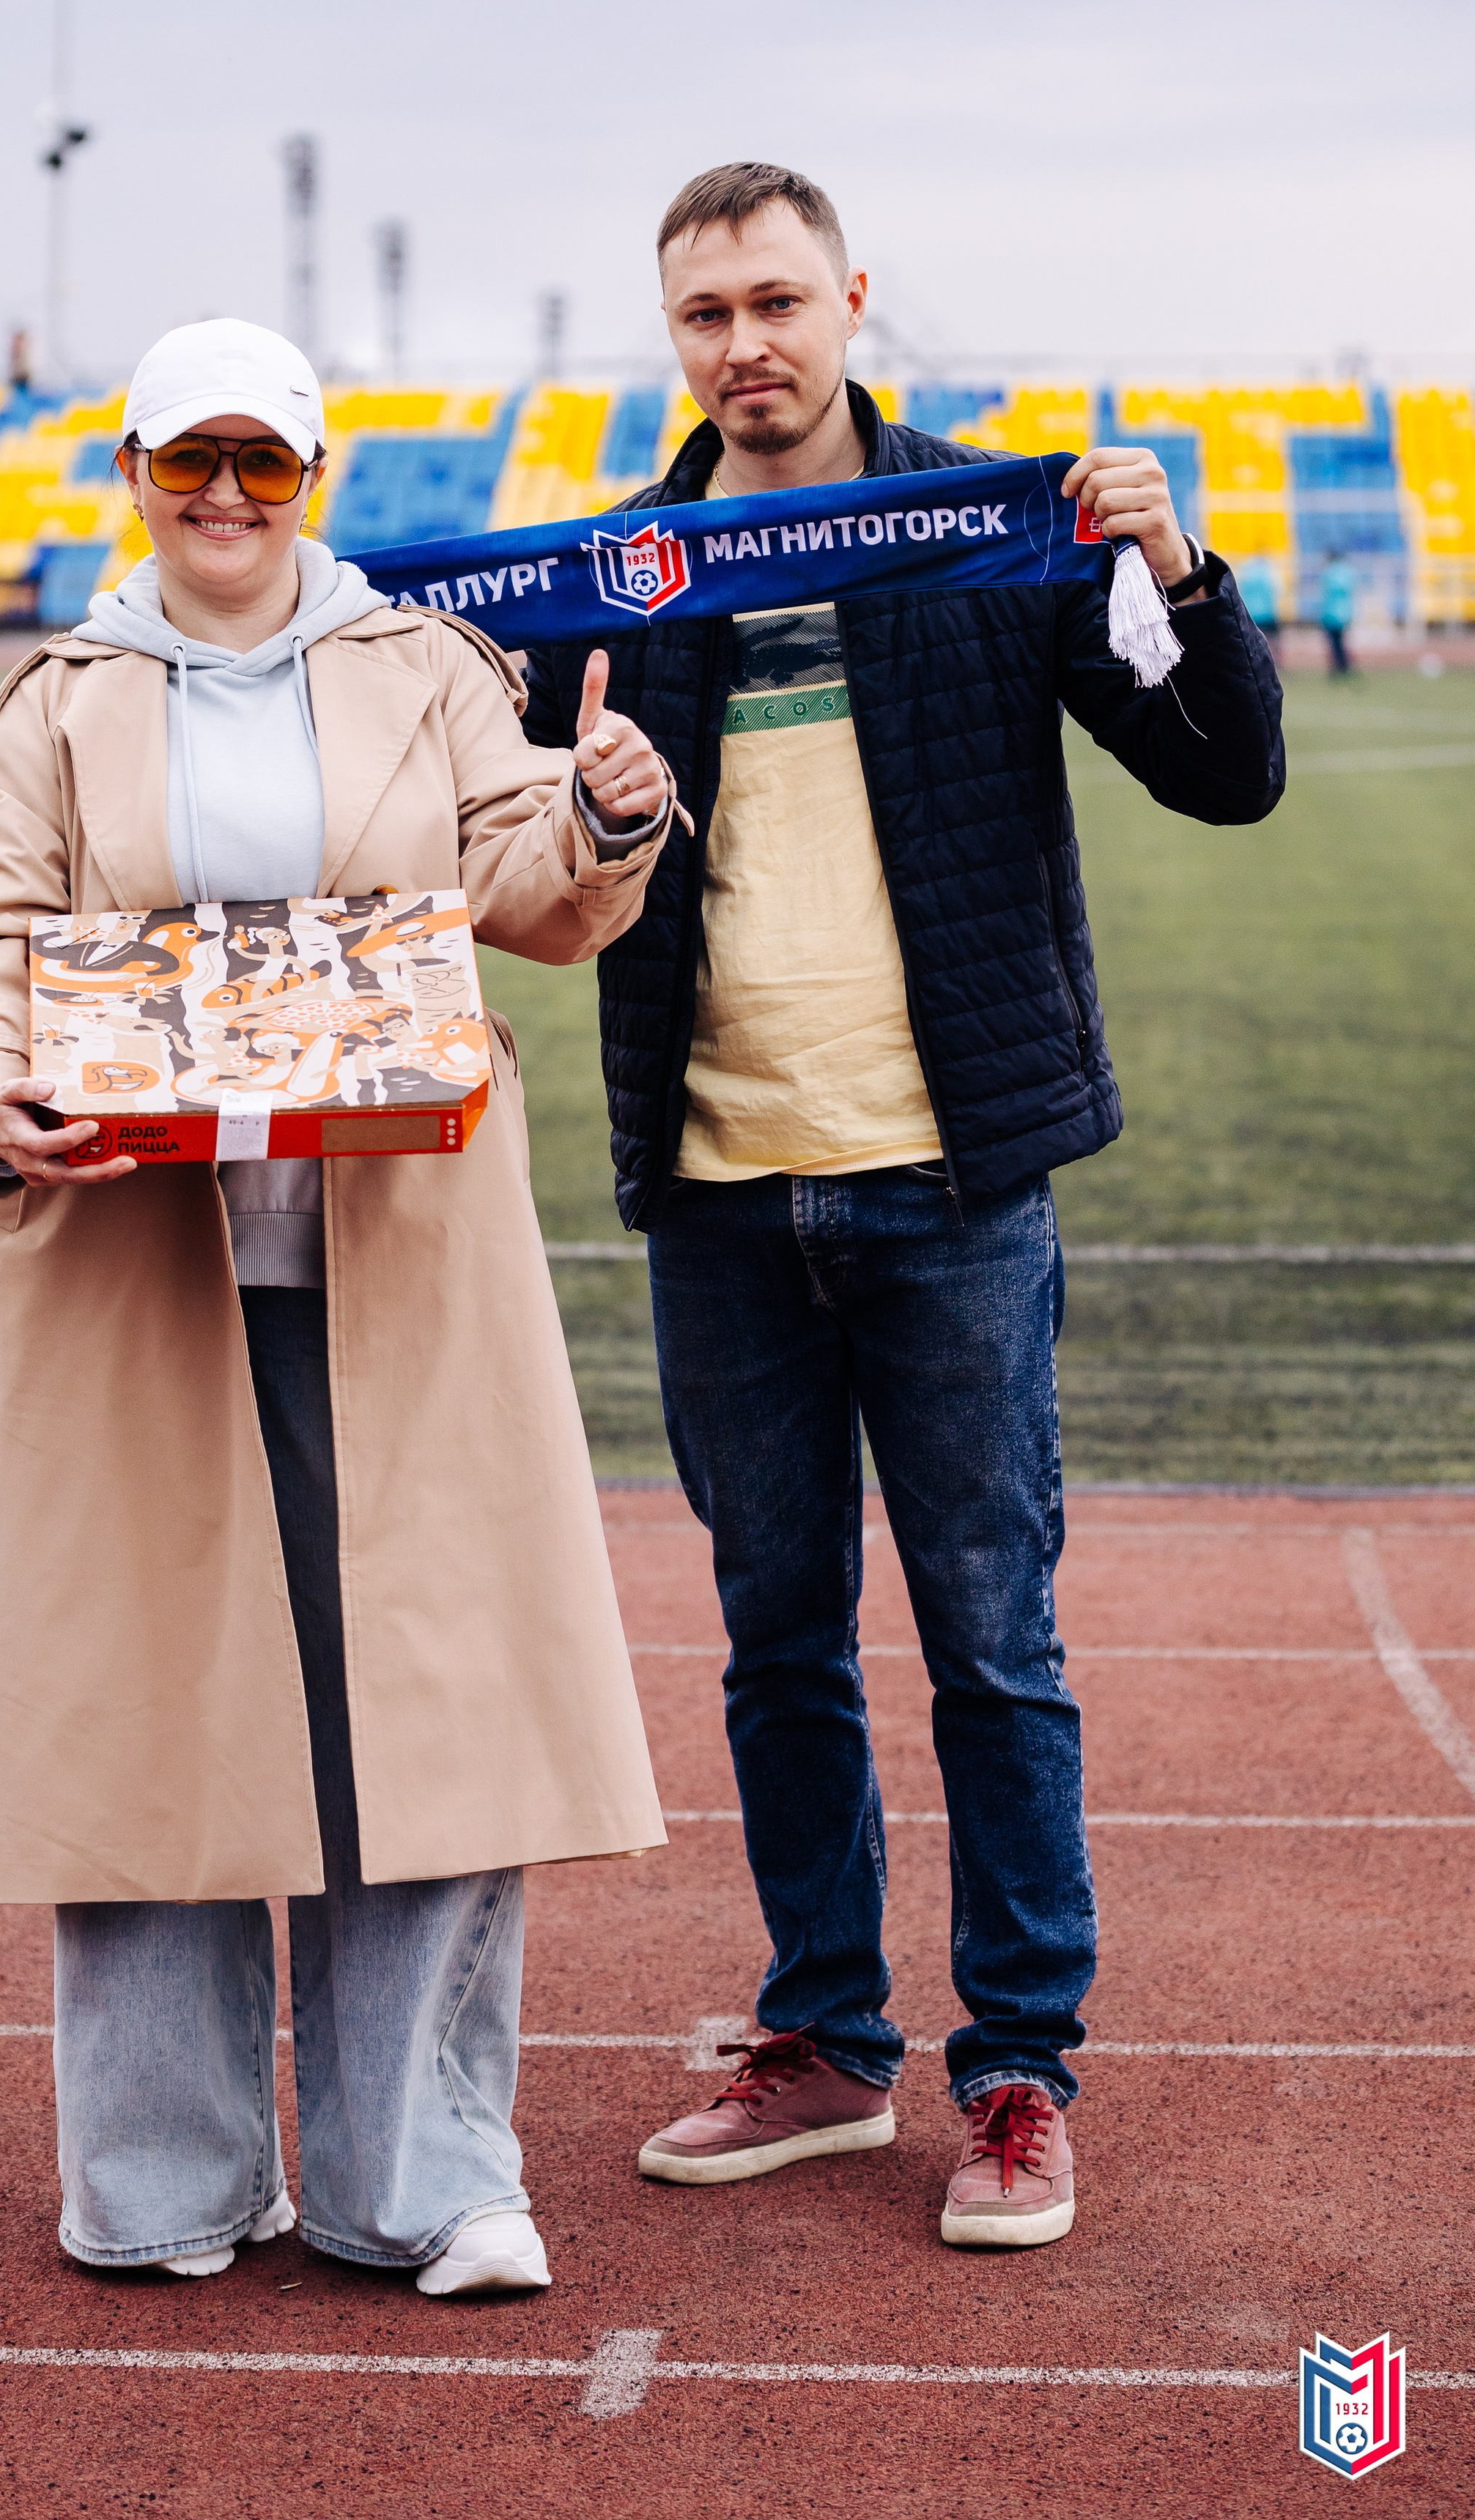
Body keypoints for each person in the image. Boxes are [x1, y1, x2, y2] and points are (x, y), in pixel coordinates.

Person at [517, 165, 1284, 2251]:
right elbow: (505, 863)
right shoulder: (618, 573)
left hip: (953, 1183)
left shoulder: (985, 526)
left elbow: (1224, 774)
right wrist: (556, 803)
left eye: (777, 298)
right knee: (779, 1643)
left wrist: (1185, 573)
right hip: (719, 1190)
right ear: (668, 337)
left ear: (852, 301)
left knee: (992, 1645)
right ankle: (830, 2046)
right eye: (703, 314)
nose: (744, 343)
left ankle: (1021, 2073)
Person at [0, 318, 673, 2294]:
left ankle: (421, 2178)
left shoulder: (425, 671)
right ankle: (162, 2176)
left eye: (263, 463)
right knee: (140, 1716)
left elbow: (533, 881)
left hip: (395, 1270)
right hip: (129, 1285)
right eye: (186, 462)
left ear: (313, 478)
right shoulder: (52, 705)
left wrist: (606, 811)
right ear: (132, 472)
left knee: (426, 1709)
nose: (224, 498)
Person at [1320, 551, 1356, 675]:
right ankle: (1345, 666)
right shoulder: (1348, 572)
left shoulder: (1328, 573)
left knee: (1335, 644)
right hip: (1344, 613)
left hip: (1331, 615)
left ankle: (1340, 667)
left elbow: (1326, 595)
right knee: (1342, 642)